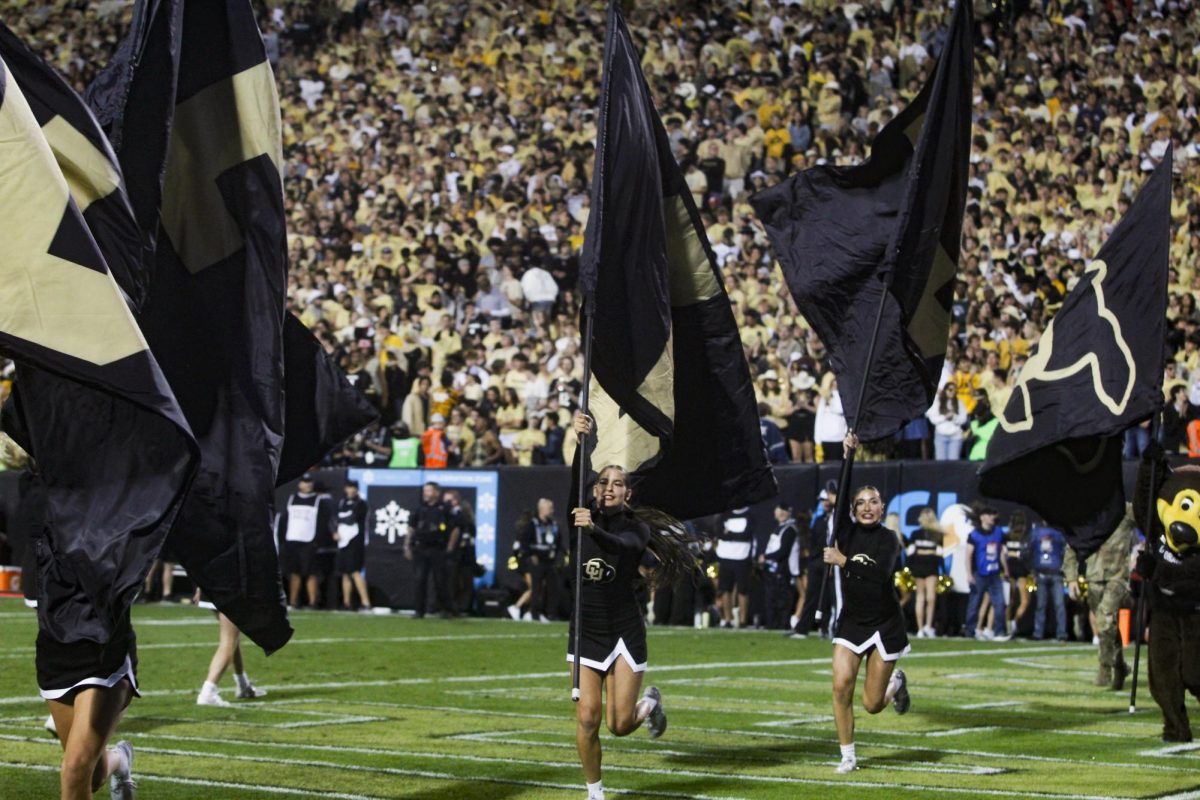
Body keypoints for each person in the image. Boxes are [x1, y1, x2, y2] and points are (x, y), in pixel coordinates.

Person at [569, 412, 694, 800]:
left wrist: (594, 531)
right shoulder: (576, 517)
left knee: (619, 725)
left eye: (617, 483)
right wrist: (580, 443)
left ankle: (649, 702)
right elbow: (573, 482)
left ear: (628, 493)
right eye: (603, 482)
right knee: (587, 718)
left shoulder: (634, 528)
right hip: (586, 631)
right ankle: (595, 792)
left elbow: (622, 547)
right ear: (593, 490)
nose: (609, 488)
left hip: (623, 630)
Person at [824, 436, 911, 774]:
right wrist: (848, 454)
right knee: (840, 685)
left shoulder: (889, 539)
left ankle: (896, 684)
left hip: (885, 625)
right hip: (852, 622)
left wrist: (844, 561)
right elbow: (843, 490)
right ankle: (848, 755)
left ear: (882, 506)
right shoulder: (844, 531)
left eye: (873, 501)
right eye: (861, 502)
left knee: (872, 704)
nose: (866, 507)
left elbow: (879, 575)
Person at [1064, 508, 1135, 688]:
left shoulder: (1125, 512)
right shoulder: (1086, 515)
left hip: (1118, 577)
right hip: (1094, 577)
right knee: (1108, 626)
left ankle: (1105, 669)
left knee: (1104, 619)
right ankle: (1120, 666)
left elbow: (1148, 518)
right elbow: (1072, 545)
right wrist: (1071, 577)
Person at [404, 481, 459, 618]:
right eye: (425, 490)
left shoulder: (444, 509)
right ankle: (419, 610)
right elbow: (411, 527)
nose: (425, 493)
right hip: (421, 548)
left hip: (438, 548)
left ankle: (446, 609)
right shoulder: (419, 509)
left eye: (428, 490)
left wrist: (450, 547)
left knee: (440, 581)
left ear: (436, 493)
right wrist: (407, 545)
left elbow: (455, 529)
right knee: (419, 579)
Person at [196, 602, 268, 707]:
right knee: (228, 641)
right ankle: (208, 692)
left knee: (232, 635)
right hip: (230, 590)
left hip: (213, 589)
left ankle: (243, 684)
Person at [277, 473, 332, 609]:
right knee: (294, 573)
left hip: (309, 541)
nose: (307, 485)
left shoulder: (318, 501)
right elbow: (284, 521)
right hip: (293, 541)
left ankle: (313, 602)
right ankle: (293, 601)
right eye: (304, 482)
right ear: (299, 484)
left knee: (311, 573)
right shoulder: (292, 499)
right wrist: (283, 540)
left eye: (309, 482)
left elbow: (322, 523)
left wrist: (317, 541)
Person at [792, 480, 838, 638]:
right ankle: (802, 628)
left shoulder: (837, 521)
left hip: (830, 562)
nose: (824, 503)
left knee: (829, 598)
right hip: (817, 563)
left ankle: (826, 628)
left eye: (827, 499)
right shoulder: (819, 520)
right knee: (811, 596)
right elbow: (812, 545)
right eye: (822, 500)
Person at [963, 505, 1010, 641]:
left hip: (994, 573)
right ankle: (970, 631)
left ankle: (999, 631)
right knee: (974, 603)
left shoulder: (998, 532)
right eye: (989, 515)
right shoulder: (974, 534)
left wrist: (1006, 569)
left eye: (992, 515)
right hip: (980, 573)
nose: (992, 518)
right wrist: (969, 574)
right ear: (982, 517)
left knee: (999, 603)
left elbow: (1001, 552)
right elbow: (968, 555)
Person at [509, 498, 560, 622]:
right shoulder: (532, 524)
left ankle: (548, 614)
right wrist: (531, 555)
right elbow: (523, 543)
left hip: (549, 560)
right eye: (550, 507)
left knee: (549, 588)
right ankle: (530, 612)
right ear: (542, 509)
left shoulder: (552, 524)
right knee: (535, 588)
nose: (552, 510)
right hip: (535, 561)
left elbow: (557, 541)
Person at [333, 480, 372, 612]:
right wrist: (334, 531)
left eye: (353, 487)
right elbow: (332, 519)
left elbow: (352, 519)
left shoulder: (361, 504)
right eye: (349, 487)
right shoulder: (342, 503)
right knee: (345, 573)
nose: (351, 490)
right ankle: (346, 602)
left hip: (355, 541)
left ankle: (365, 602)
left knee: (355, 571)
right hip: (342, 541)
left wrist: (340, 519)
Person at [759, 503, 799, 629]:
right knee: (772, 599)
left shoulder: (789, 529)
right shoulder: (780, 528)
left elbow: (783, 551)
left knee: (781, 600)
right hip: (773, 569)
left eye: (784, 511)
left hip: (782, 570)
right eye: (779, 511)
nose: (781, 514)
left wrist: (766, 557)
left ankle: (780, 625)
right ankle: (772, 624)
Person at [906, 508, 944, 638]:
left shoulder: (934, 534)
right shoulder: (924, 534)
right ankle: (924, 627)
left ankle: (924, 627)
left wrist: (921, 553)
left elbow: (911, 553)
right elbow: (938, 555)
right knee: (926, 597)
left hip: (923, 567)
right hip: (926, 567)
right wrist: (929, 553)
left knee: (925, 597)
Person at [716, 506, 755, 628]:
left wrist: (730, 533)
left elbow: (747, 535)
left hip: (742, 556)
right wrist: (736, 535)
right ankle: (728, 619)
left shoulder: (750, 515)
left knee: (743, 589)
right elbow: (720, 534)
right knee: (725, 589)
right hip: (725, 556)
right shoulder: (725, 515)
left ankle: (743, 620)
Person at [1030, 521, 1069, 642]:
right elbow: (1029, 551)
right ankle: (1038, 633)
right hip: (1042, 573)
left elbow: (1067, 549)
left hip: (1056, 573)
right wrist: (1033, 570)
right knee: (1041, 605)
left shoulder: (1058, 533)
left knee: (1059, 605)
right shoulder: (1036, 533)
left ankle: (1061, 633)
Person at [1002, 510, 1032, 636]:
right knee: (1021, 601)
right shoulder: (1025, 536)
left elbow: (1003, 554)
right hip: (1018, 568)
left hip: (1013, 568)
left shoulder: (1007, 536)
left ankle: (1010, 624)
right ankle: (1011, 623)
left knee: (1012, 601)